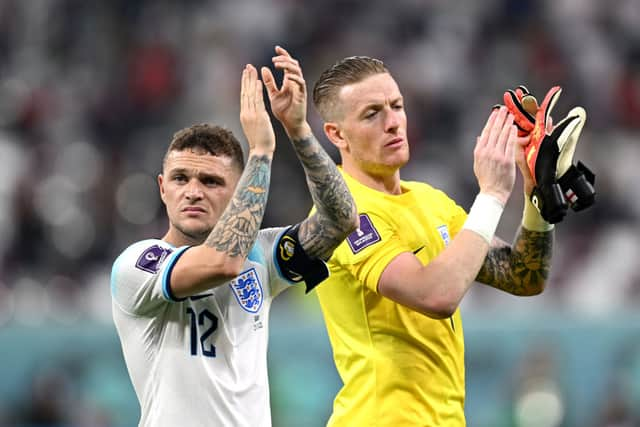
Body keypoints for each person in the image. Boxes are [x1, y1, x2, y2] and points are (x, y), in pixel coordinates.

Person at [110, 46, 358, 427]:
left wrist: (298, 129)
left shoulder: (260, 255)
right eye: (180, 179)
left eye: (210, 181)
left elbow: (341, 220)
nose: (192, 191)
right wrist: (261, 150)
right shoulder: (139, 264)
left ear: (240, 190)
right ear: (162, 188)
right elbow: (222, 262)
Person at [310, 56, 558, 425]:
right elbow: (435, 295)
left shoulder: (429, 201)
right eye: (371, 114)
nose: (392, 122)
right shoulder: (342, 214)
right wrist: (490, 194)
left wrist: (535, 190)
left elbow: (524, 276)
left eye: (397, 106)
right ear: (336, 134)